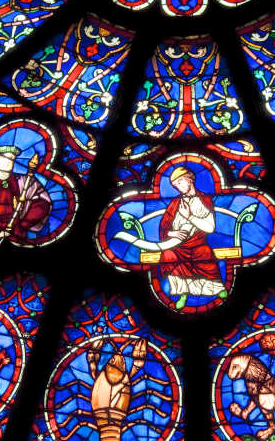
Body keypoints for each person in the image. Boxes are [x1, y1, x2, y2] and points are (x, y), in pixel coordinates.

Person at [158, 165, 227, 309]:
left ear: (190, 179)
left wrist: (189, 216)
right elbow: (164, 227)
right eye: (175, 185)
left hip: (198, 244)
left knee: (205, 254)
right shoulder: (175, 203)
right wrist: (171, 233)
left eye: (180, 181)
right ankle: (183, 293)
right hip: (176, 246)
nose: (178, 187)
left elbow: (210, 227)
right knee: (168, 255)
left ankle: (216, 289)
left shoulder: (204, 199)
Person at [86, 339, 147, 438]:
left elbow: (92, 361)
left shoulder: (98, 375)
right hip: (115, 428)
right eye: (113, 361)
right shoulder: (128, 378)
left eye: (122, 362)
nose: (119, 362)